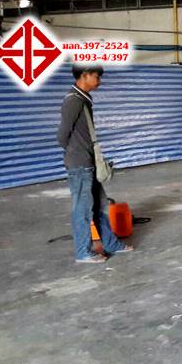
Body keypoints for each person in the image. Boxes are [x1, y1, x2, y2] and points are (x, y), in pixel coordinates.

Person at [57, 64, 133, 264]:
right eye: (97, 76)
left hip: (88, 163)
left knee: (99, 206)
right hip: (80, 164)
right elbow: (62, 135)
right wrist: (76, 152)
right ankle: (83, 252)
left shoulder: (83, 99)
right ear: (84, 75)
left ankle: (111, 244)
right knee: (82, 210)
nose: (99, 81)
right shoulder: (73, 101)